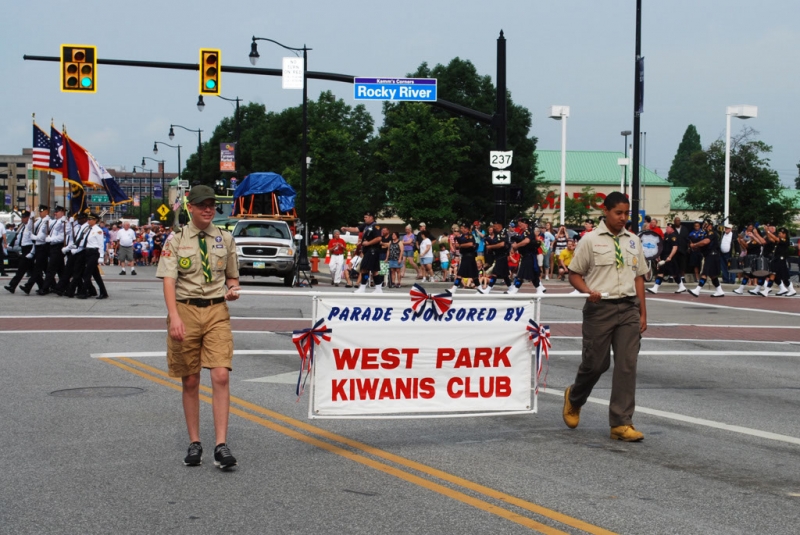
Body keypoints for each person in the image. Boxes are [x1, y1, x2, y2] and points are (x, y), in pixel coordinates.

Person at [156, 185, 240, 469]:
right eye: (202, 204)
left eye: (211, 205)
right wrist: (174, 317)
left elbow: (232, 277)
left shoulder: (225, 238)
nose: (208, 209)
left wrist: (233, 288)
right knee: (190, 379)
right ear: (189, 207)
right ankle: (195, 442)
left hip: (217, 310)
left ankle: (221, 445)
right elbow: (168, 279)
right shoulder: (176, 239)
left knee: (220, 376)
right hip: (186, 310)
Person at [563, 192, 648, 442]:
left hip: (629, 308)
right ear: (606, 211)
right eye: (618, 213)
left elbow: (639, 276)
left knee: (626, 364)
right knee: (596, 364)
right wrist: (588, 291)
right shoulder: (590, 240)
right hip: (600, 309)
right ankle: (575, 397)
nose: (623, 218)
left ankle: (621, 422)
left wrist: (643, 311)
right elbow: (574, 274)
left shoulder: (633, 241)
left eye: (626, 213)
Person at [341, 211, 385, 294]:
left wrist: (368, 243)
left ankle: (363, 287)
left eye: (366, 217)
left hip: (372, 250)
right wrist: (346, 229)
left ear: (371, 217)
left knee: (364, 269)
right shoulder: (365, 226)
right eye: (364, 217)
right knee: (374, 270)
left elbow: (379, 238)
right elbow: (356, 229)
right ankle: (378, 289)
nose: (364, 218)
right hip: (368, 250)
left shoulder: (376, 226)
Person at [506, 217, 545, 295]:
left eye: (521, 223)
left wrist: (517, 246)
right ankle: (539, 290)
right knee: (533, 275)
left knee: (521, 274)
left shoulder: (529, 231)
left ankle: (514, 290)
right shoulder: (522, 232)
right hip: (525, 255)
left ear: (525, 224)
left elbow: (526, 241)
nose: (520, 225)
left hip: (529, 256)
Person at [687, 220, 725, 298]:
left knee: (705, 273)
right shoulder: (705, 234)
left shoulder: (711, 233)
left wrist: (695, 245)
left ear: (710, 226)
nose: (704, 226)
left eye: (706, 225)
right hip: (709, 255)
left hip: (712, 255)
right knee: (712, 275)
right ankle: (719, 290)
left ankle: (697, 290)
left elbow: (705, 242)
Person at [20, 205, 51, 295]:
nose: (40, 213)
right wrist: (31, 219)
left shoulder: (47, 222)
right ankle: (52, 286)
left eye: (42, 211)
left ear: (46, 212)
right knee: (46, 269)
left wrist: (34, 237)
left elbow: (42, 237)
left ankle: (28, 286)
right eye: (40, 211)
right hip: (37, 247)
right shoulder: (39, 221)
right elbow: (30, 228)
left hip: (43, 247)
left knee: (37, 269)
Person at [77, 213, 109, 300]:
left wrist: (101, 256)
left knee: (87, 274)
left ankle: (84, 292)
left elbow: (100, 244)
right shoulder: (88, 229)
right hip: (88, 252)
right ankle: (103, 292)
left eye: (90, 219)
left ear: (95, 220)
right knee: (96, 275)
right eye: (88, 219)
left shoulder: (98, 230)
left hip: (94, 253)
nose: (88, 221)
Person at [4, 211, 34, 294]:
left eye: (24, 217)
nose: (22, 219)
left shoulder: (30, 225)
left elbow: (32, 221)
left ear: (28, 218)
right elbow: (18, 240)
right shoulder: (22, 227)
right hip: (24, 249)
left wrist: (31, 216)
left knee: (21, 269)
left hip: (29, 248)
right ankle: (44, 286)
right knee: (33, 271)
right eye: (22, 217)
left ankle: (12, 286)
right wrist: (10, 246)